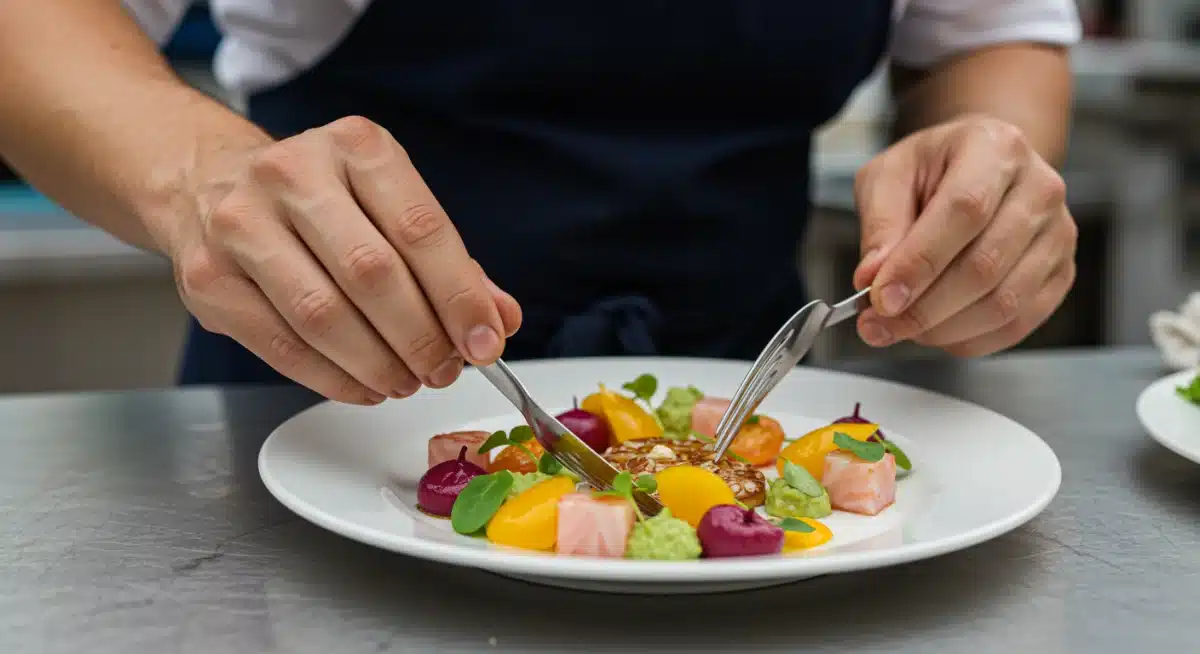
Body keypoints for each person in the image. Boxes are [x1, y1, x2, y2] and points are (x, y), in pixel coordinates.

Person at [0, 1, 1080, 405]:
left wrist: (989, 170)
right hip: (326, 404)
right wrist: (200, 173)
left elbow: (986, 35)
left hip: (745, 402)